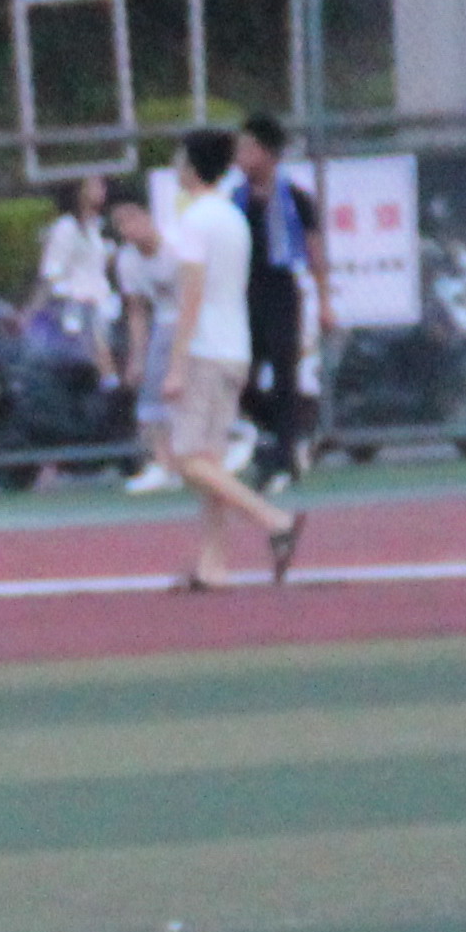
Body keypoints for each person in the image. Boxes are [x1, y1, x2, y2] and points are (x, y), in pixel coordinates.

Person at [123, 128, 298, 591]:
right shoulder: (232, 216)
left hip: (205, 350)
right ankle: (212, 565)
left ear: (192, 166)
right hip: (234, 347)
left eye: (180, 159)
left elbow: (192, 296)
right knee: (210, 459)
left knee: (186, 459)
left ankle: (274, 520)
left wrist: (176, 365)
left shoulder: (196, 221)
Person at [230, 115, 319, 487]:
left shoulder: (295, 199)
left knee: (285, 375)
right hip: (243, 295)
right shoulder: (234, 201)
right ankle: (287, 435)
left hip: (281, 292)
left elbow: (314, 252)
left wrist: (325, 302)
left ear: (267, 153)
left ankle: (283, 457)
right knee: (239, 379)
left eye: (248, 148)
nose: (240, 157)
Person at [33, 173, 124, 375]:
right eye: (94, 185)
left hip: (104, 305)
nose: (101, 190)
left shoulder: (97, 226)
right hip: (79, 309)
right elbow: (52, 272)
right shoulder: (67, 227)